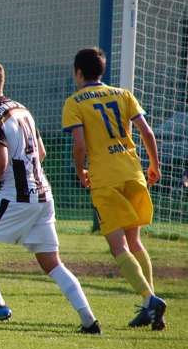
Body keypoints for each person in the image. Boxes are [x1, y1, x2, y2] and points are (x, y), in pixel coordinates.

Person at [0, 60, 99, 333]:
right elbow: (42, 153)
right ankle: (89, 320)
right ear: (2, 82)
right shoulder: (21, 109)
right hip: (43, 194)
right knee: (52, 263)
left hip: (16, 195)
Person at [62, 47, 167, 330]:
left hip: (105, 178)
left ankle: (149, 298)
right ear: (102, 71)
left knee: (118, 245)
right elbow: (146, 131)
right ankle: (151, 305)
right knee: (135, 241)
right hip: (133, 172)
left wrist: (79, 169)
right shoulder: (123, 94)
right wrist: (154, 164)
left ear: (79, 72)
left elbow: (80, 144)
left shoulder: (75, 102)